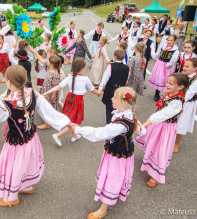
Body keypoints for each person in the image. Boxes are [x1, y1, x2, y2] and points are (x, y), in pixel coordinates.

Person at [0, 65, 71, 207]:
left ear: (9, 82)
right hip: (31, 138)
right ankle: (27, 186)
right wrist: (66, 121)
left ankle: (12, 198)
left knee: (15, 167)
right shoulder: (33, 93)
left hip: (16, 144)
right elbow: (49, 112)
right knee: (28, 162)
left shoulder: (7, 103)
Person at [70, 87, 146, 219]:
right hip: (119, 153)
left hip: (118, 157)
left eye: (114, 97)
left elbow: (100, 133)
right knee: (115, 177)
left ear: (123, 103)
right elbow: (142, 131)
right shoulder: (126, 114)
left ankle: (103, 209)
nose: (111, 98)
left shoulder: (122, 123)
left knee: (112, 178)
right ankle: (114, 193)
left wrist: (79, 130)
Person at [135, 73, 188, 187]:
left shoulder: (177, 102)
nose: (167, 85)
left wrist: (145, 124)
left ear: (180, 87)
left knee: (161, 148)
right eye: (168, 82)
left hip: (166, 127)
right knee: (153, 143)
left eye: (171, 83)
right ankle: (150, 159)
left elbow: (163, 114)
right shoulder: (169, 93)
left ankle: (156, 175)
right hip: (158, 124)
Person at [43, 58, 99, 146]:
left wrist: (46, 92)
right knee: (74, 121)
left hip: (70, 99)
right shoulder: (85, 79)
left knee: (71, 119)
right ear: (83, 69)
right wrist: (99, 93)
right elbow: (92, 90)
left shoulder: (70, 77)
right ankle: (58, 135)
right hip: (78, 101)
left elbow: (58, 87)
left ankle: (74, 135)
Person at [98, 49, 129, 124]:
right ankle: (117, 122)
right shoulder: (127, 68)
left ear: (115, 57)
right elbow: (127, 80)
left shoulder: (111, 66)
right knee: (119, 108)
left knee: (109, 108)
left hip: (111, 90)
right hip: (121, 90)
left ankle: (109, 123)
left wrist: (100, 89)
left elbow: (105, 78)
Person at [174, 58, 197, 153]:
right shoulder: (182, 75)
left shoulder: (195, 80)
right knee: (172, 120)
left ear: (195, 68)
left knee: (182, 123)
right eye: (184, 65)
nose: (184, 67)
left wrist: (179, 99)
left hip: (187, 104)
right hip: (176, 100)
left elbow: (189, 94)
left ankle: (176, 144)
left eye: (187, 66)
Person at [148, 35, 179, 101]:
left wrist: (171, 64)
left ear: (174, 41)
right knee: (159, 77)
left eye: (171, 40)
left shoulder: (175, 50)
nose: (169, 41)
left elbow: (175, 58)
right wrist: (154, 55)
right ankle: (157, 93)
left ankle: (165, 94)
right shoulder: (163, 46)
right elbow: (159, 53)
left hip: (167, 66)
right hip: (160, 63)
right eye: (168, 40)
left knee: (166, 79)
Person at [37, 56, 61, 130]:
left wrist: (53, 97)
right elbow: (41, 60)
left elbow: (55, 87)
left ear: (52, 64)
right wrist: (34, 52)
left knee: (48, 107)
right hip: (46, 91)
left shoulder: (55, 74)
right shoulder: (49, 69)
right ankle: (54, 118)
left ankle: (47, 124)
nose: (46, 61)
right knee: (48, 107)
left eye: (48, 61)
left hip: (50, 94)